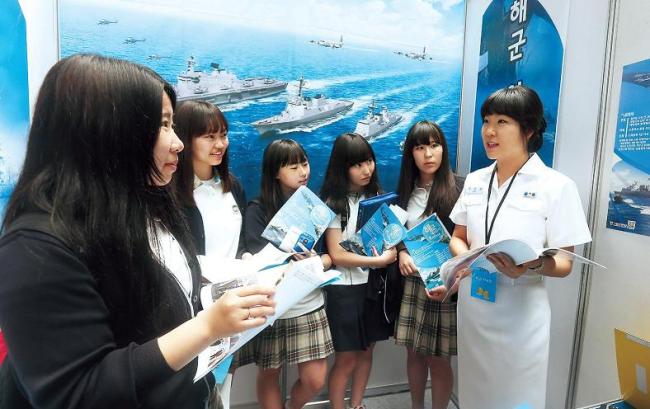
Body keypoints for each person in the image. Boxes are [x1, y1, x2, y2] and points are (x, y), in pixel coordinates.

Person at [0, 54, 275, 408]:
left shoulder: (148, 207)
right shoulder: (36, 250)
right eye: (163, 126)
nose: (178, 143)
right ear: (107, 132)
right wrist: (208, 326)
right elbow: (79, 392)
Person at [432, 85, 591, 409]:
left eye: (502, 122)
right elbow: (458, 236)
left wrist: (530, 266)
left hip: (521, 313)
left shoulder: (557, 187)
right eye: (486, 120)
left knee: (518, 398)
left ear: (528, 129)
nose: (489, 131)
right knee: (476, 393)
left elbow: (564, 263)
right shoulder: (475, 180)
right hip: (474, 306)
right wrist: (464, 260)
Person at [245, 139, 333, 409]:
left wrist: (316, 260)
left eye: (304, 163)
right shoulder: (257, 211)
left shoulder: (315, 208)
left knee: (315, 379)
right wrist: (286, 260)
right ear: (275, 172)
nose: (303, 171)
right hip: (274, 304)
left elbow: (332, 256)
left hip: (309, 302)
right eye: (293, 166)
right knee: (270, 372)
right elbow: (256, 262)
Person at [173, 100, 249, 409]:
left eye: (224, 135)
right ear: (186, 138)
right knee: (192, 392)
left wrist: (247, 259)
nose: (220, 144)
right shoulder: (171, 195)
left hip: (231, 306)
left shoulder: (234, 187)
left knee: (223, 389)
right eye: (209, 136)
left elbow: (240, 242)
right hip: (191, 314)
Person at [320, 133, 397, 409]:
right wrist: (379, 261)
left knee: (367, 351)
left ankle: (357, 405)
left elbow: (388, 235)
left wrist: (392, 248)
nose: (366, 170)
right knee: (347, 359)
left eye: (369, 162)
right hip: (343, 290)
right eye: (357, 164)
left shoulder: (376, 197)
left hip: (371, 287)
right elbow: (337, 254)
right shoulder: (332, 203)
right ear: (342, 167)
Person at [394, 121, 462, 409]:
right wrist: (400, 252)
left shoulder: (459, 187)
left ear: (443, 149)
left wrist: (454, 278)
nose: (428, 154)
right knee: (414, 353)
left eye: (434, 145)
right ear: (411, 154)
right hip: (413, 281)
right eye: (420, 147)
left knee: (439, 358)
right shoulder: (404, 191)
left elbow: (466, 238)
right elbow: (395, 232)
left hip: (445, 281)